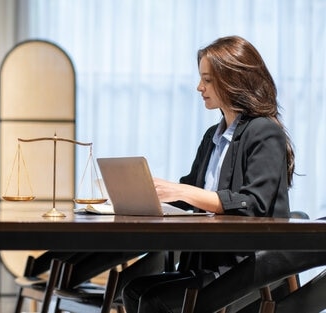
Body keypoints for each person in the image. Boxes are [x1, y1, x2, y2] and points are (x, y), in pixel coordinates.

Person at [121, 35, 295, 312]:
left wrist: (181, 191)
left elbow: (254, 205)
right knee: (134, 290)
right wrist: (139, 198)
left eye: (208, 80)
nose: (199, 87)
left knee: (151, 298)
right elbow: (190, 195)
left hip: (244, 267)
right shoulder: (212, 137)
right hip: (206, 262)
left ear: (234, 79)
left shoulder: (264, 131)